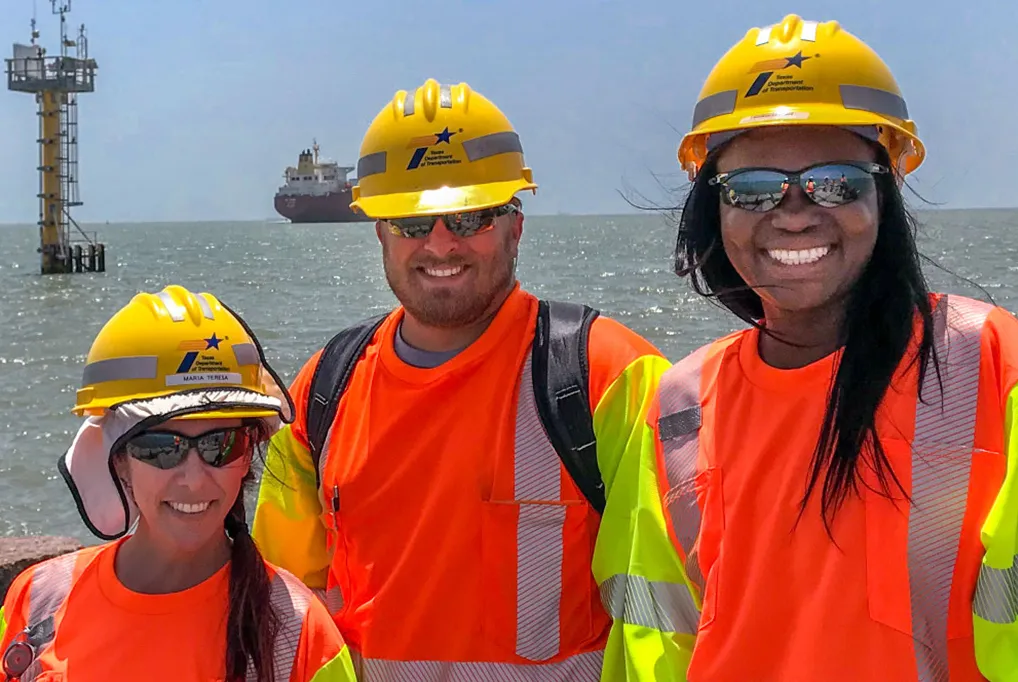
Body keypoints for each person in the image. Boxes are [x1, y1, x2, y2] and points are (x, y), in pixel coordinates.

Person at [252, 78, 679, 679]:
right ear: (379, 231)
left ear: (515, 225)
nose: (440, 241)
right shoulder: (323, 390)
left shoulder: (611, 377)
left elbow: (664, 627)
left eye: (470, 215)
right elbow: (283, 613)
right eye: (410, 221)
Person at [645, 14, 1018, 681]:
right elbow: (660, 644)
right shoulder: (677, 405)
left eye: (836, 182)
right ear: (713, 206)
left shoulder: (990, 366)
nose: (793, 211)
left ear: (887, 190)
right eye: (752, 189)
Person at [0, 285, 358, 682]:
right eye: (160, 448)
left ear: (248, 455)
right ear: (117, 460)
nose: (193, 478)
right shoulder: (36, 601)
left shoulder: (299, 632)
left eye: (221, 445)